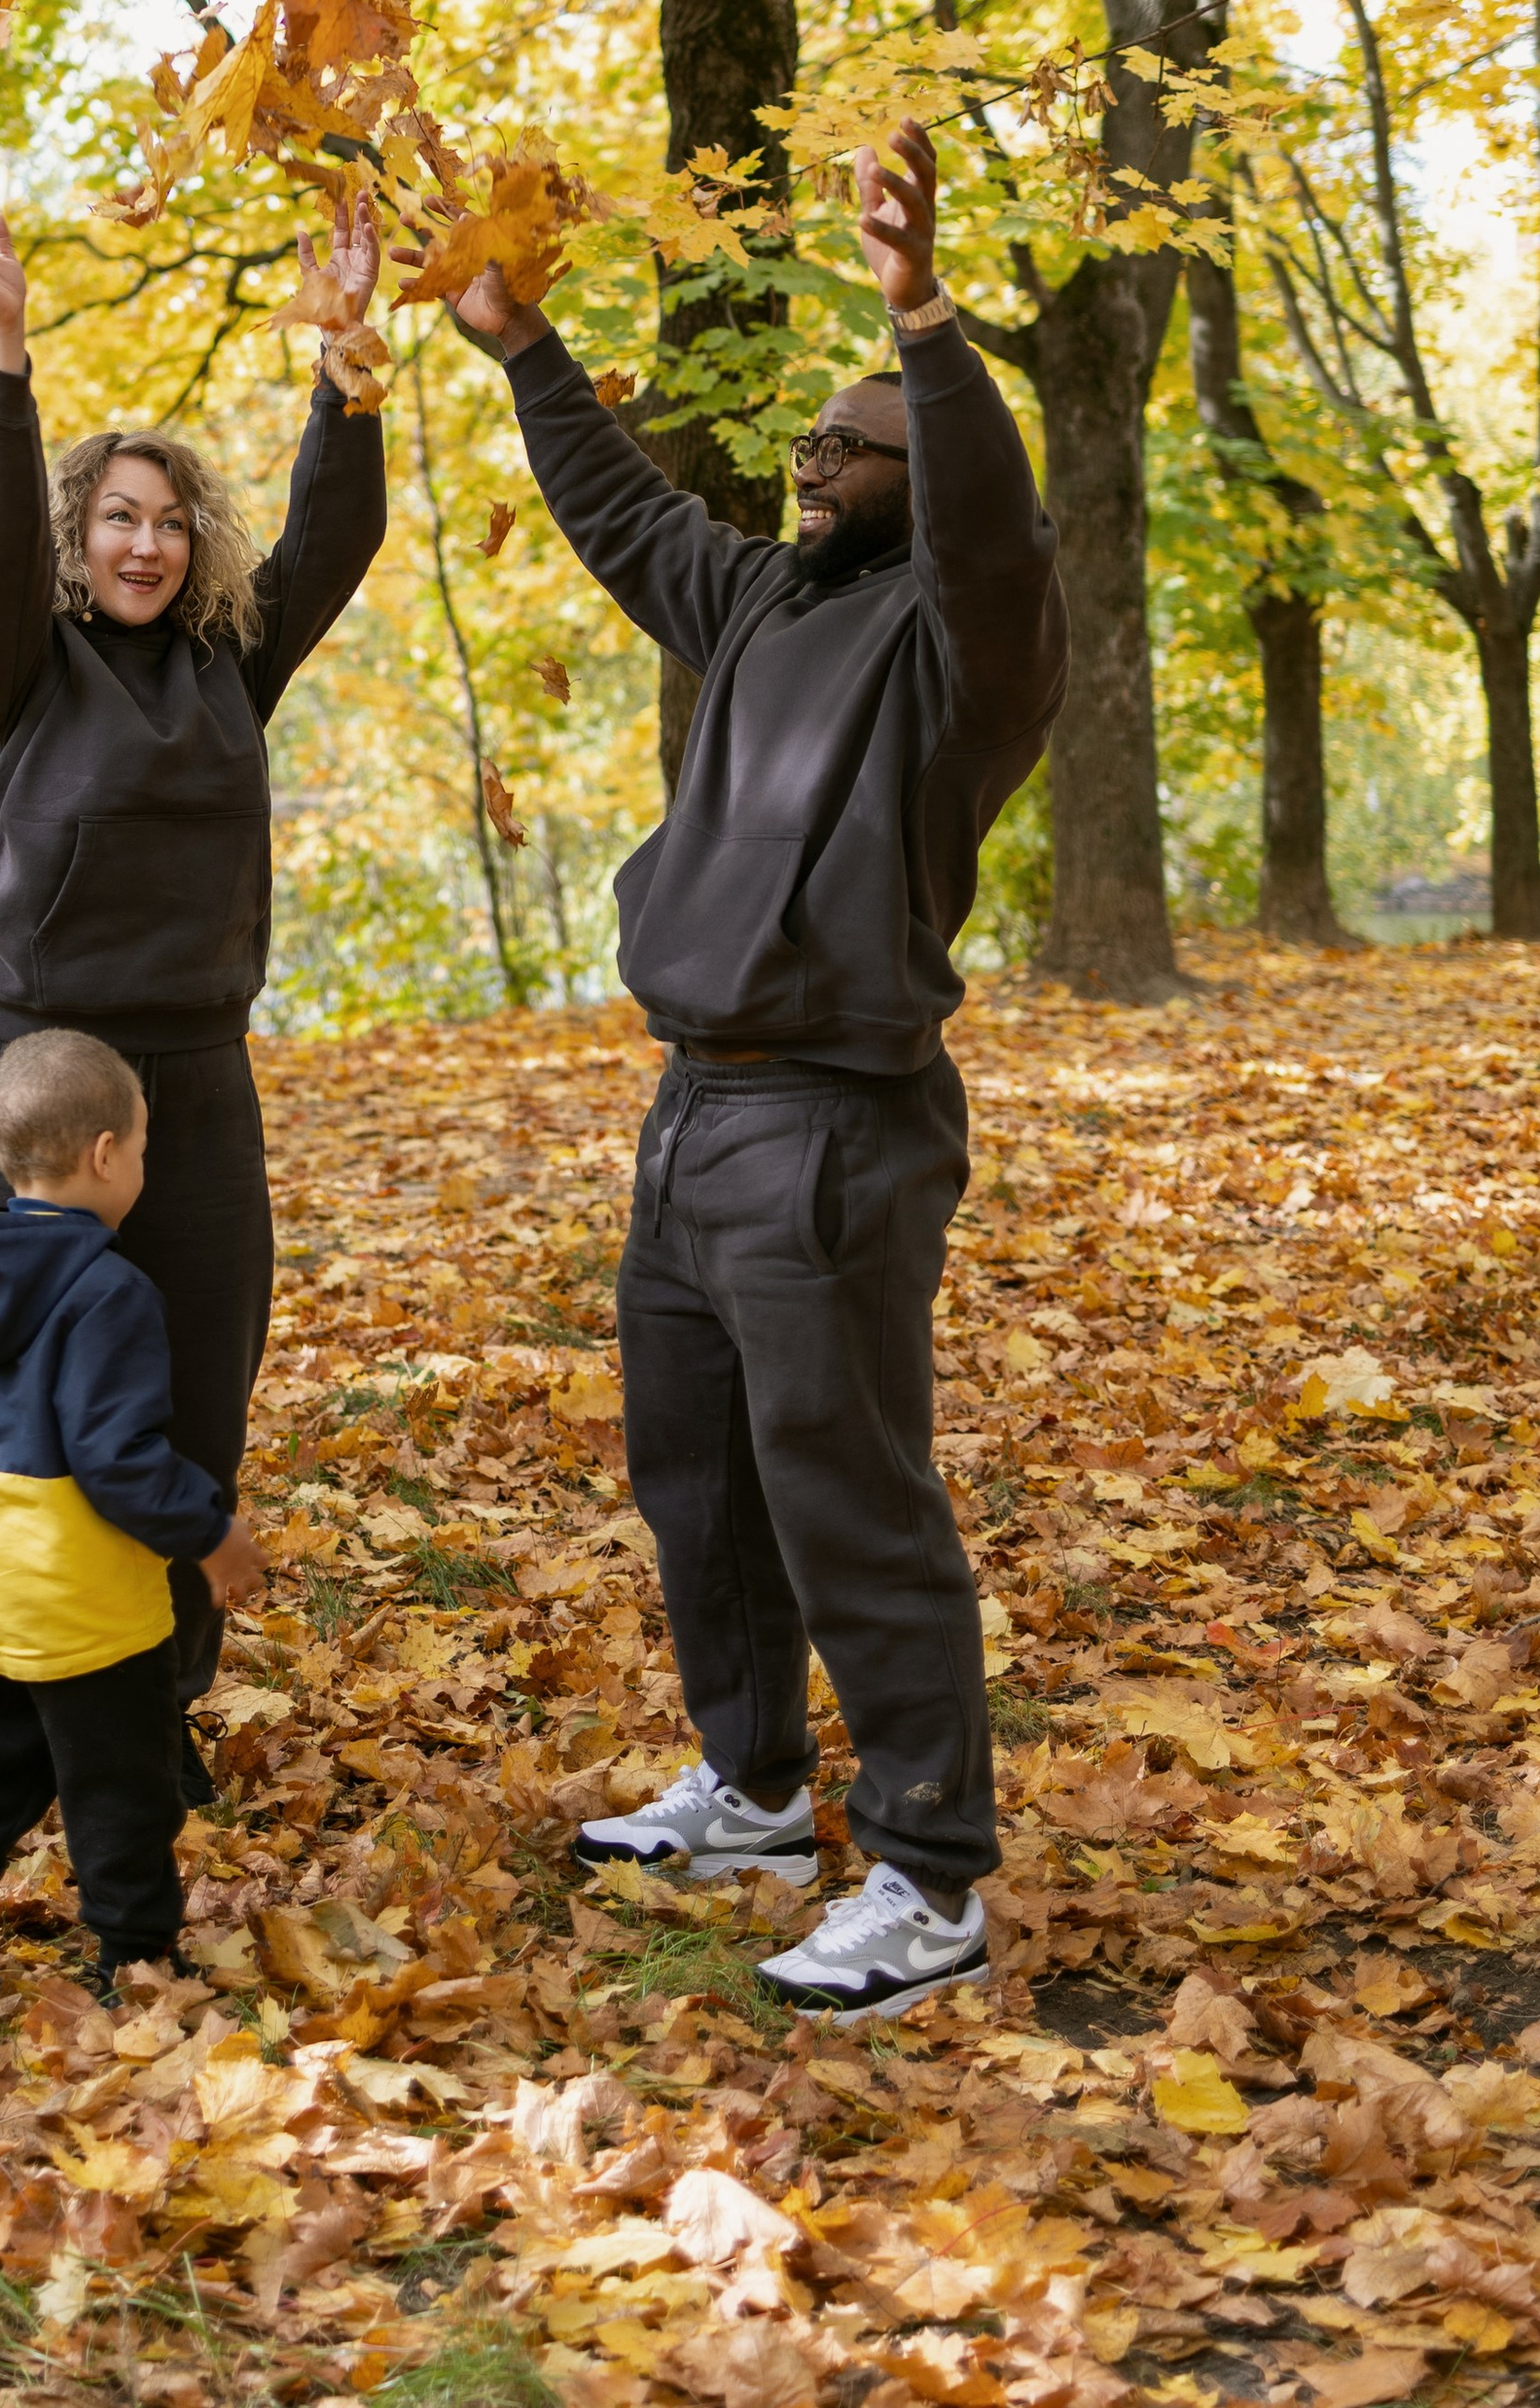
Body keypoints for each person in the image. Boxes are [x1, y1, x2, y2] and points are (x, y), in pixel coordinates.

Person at [425, 121, 1066, 2024]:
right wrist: (524, 349)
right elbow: (626, 515)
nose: (810, 461)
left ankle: (930, 1880)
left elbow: (984, 519)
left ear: (920, 481)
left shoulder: (965, 648)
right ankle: (759, 1794)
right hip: (692, 1105)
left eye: (850, 446)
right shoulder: (764, 603)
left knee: (848, 1494)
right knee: (695, 1477)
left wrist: (922, 323)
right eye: (809, 439)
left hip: (833, 1122)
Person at [0, 185, 385, 1843]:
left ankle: (151, 1711)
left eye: (169, 519)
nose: (147, 544)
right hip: (25, 1070)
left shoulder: (230, 662)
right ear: (76, 538)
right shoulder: (18, 665)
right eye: (117, 519)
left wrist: (347, 359)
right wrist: (6, 353)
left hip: (191, 1084)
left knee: (187, 1402)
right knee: (7, 1409)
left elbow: (338, 538)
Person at [0, 1029, 267, 2006]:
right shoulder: (110, 1291)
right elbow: (116, 1458)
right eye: (143, 1149)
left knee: (18, 1755)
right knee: (127, 1784)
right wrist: (209, 1532)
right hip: (80, 1593)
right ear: (106, 1154)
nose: (144, 1166)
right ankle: (139, 1966)